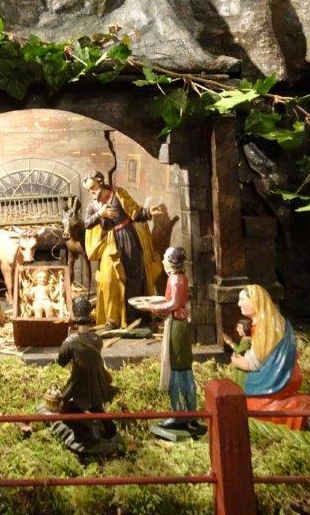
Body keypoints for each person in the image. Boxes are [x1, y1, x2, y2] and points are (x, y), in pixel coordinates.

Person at [231, 285, 310, 438]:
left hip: (276, 379)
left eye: (242, 299)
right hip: (288, 374)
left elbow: (255, 362)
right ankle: (306, 408)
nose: (239, 304)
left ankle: (304, 416)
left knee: (254, 406)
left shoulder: (264, 326)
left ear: (256, 301)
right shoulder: (274, 320)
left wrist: (237, 361)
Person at [82, 171, 163, 329]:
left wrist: (148, 212)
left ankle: (138, 317)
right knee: (109, 280)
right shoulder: (93, 206)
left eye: (93, 187)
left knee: (135, 276)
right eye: (88, 190)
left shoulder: (118, 193)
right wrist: (100, 214)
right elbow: (87, 224)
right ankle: (112, 320)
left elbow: (134, 212)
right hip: (109, 242)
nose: (91, 192)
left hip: (128, 237)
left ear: (100, 182)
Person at [143, 247, 198, 431]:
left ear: (171, 262)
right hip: (179, 323)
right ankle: (190, 413)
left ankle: (180, 414)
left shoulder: (175, 279)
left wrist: (153, 308)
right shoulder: (182, 277)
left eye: (165, 258)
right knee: (184, 370)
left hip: (176, 325)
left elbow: (174, 303)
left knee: (177, 370)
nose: (163, 261)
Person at [55, 295, 119, 449]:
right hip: (97, 385)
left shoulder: (70, 342)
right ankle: (108, 428)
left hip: (79, 385)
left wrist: (68, 340)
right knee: (96, 407)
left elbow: (61, 361)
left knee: (64, 411)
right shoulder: (97, 339)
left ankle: (87, 433)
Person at [223, 318, 252, 389]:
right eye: (237, 327)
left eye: (239, 327)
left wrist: (230, 343)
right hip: (240, 365)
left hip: (242, 367)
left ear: (246, 328)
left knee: (240, 382)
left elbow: (240, 350)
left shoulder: (246, 340)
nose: (237, 329)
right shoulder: (245, 339)